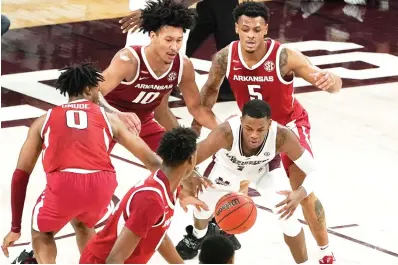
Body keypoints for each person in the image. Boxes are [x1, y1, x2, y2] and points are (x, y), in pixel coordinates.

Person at [191, 2, 342, 263]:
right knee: (228, 172)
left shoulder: (284, 56)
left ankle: (325, 252)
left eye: (257, 29)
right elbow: (209, 92)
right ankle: (208, 227)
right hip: (252, 131)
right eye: (246, 28)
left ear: (266, 30)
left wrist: (331, 81)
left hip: (288, 127)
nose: (251, 34)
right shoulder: (226, 57)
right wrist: (198, 128)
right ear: (236, 28)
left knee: (300, 188)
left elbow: (331, 84)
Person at [1, 62, 162, 264]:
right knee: (84, 225)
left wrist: (15, 228)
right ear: (88, 89)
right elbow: (151, 159)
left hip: (65, 183)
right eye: (98, 87)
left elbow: (21, 175)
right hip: (103, 185)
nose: (100, 92)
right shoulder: (109, 118)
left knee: (41, 233)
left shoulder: (44, 120)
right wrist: (172, 188)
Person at [177, 99, 312, 264]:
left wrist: (301, 192)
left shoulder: (282, 136)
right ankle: (198, 235)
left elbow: (313, 169)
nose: (254, 135)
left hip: (263, 170)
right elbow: (182, 161)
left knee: (286, 214)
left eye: (260, 129)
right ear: (241, 121)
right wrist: (192, 176)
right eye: (248, 128)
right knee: (202, 207)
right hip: (226, 169)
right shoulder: (225, 133)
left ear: (269, 124)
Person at [98, 0, 219, 151]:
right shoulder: (128, 60)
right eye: (168, 40)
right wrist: (117, 115)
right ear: (153, 36)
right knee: (91, 167)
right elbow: (92, 94)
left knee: (185, 163)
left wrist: (226, 131)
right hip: (109, 116)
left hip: (144, 120)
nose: (174, 47)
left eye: (179, 40)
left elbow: (188, 109)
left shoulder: (182, 64)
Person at [79, 127, 206, 264]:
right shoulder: (151, 199)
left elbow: (158, 235)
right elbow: (114, 259)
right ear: (191, 159)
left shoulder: (169, 186)